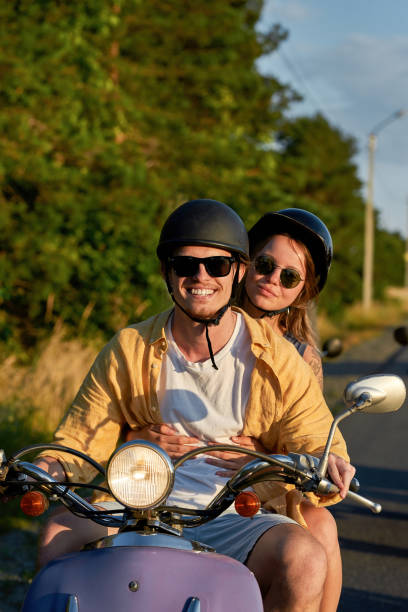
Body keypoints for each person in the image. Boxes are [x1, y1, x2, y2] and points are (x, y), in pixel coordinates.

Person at [34, 199, 354, 612]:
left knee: (306, 558)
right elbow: (80, 436)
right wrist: (46, 468)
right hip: (135, 506)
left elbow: (314, 435)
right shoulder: (130, 348)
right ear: (167, 272)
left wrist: (328, 463)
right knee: (56, 533)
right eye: (185, 265)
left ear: (235, 270)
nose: (200, 277)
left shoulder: (281, 358)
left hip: (231, 512)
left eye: (217, 266)